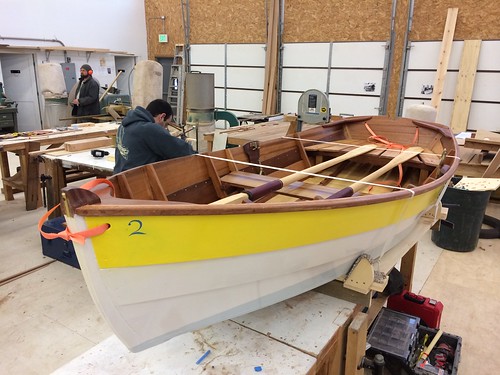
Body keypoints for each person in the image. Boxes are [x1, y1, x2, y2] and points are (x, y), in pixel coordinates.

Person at [114, 99, 195, 174]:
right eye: (166, 124)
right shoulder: (149, 128)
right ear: (162, 117)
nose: (165, 128)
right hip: (137, 183)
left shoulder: (123, 126)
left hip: (119, 179)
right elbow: (182, 150)